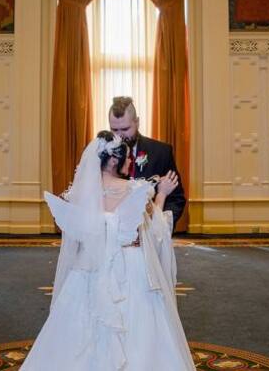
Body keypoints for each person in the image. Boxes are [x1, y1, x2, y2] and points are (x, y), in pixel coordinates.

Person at [21, 131, 195, 370]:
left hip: (89, 265)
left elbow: (77, 239)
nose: (130, 161)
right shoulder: (136, 190)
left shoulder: (77, 195)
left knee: (78, 327)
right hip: (130, 265)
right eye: (126, 158)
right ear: (113, 160)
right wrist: (163, 194)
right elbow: (155, 231)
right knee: (140, 326)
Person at [108, 96, 186, 230]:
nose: (120, 135)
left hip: (152, 231)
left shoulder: (161, 152)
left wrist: (160, 227)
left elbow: (176, 198)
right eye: (114, 130)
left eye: (125, 129)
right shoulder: (104, 156)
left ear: (137, 122)